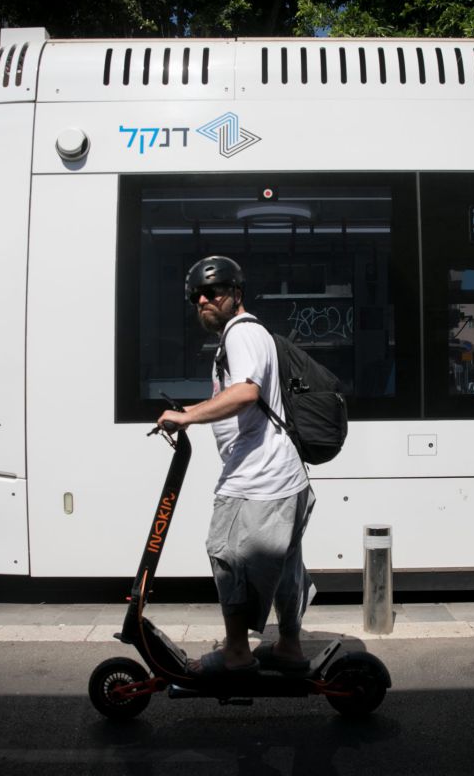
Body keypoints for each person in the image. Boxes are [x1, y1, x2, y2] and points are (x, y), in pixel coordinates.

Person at [157, 255, 315, 677]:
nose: (204, 300)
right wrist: (191, 408)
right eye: (196, 296)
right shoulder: (251, 334)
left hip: (257, 476)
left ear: (236, 294)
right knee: (284, 565)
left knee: (224, 551)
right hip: (285, 474)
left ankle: (237, 653)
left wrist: (187, 417)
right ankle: (289, 647)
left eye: (214, 291)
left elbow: (246, 392)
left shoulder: (241, 333)